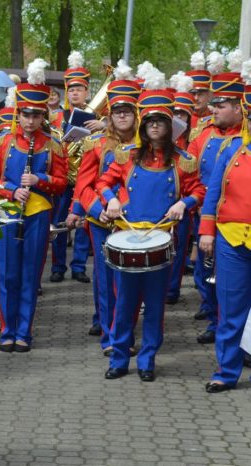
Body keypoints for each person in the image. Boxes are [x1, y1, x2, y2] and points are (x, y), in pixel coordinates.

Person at [97, 82, 204, 382]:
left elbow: (201, 190)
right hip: (127, 238)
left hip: (163, 241)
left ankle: (147, 360)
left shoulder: (183, 160)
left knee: (155, 306)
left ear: (170, 126)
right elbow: (102, 183)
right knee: (125, 304)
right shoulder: (126, 156)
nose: (155, 126)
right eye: (150, 121)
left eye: (161, 121)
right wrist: (112, 199)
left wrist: (185, 202)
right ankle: (119, 356)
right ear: (142, 125)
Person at [0, 58, 68, 353]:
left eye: (36, 115)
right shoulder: (2, 142)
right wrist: (12, 190)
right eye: (26, 114)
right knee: (7, 273)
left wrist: (39, 178)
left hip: (38, 213)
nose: (30, 121)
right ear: (18, 113)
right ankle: (7, 330)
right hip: (7, 213)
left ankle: (23, 332)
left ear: (44, 115)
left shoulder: (54, 144)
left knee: (31, 274)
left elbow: (61, 181)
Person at [66, 64, 141, 354]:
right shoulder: (94, 143)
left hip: (134, 223)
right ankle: (111, 337)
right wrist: (99, 210)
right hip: (101, 222)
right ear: (108, 114)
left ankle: (126, 333)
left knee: (131, 282)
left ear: (136, 115)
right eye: (117, 111)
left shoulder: (145, 146)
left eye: (127, 111)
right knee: (105, 279)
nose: (122, 116)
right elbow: (83, 185)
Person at [198, 72, 251, 393]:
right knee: (230, 308)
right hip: (231, 238)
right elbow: (213, 192)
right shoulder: (232, 148)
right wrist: (206, 231)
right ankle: (226, 371)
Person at [188, 71, 245, 345]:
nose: (214, 110)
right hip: (205, 214)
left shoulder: (242, 139)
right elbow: (188, 169)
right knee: (205, 274)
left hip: (234, 219)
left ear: (238, 107)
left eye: (221, 106)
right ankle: (213, 319)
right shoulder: (204, 133)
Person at [50, 51, 99, 285]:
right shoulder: (56, 116)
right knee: (59, 223)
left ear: (87, 91)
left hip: (85, 178)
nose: (75, 93)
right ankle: (58, 266)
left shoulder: (96, 116)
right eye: (71, 89)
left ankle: (79, 266)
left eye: (79, 89)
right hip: (62, 177)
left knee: (82, 224)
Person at [166, 72, 197, 304]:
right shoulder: (159, 138)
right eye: (174, 113)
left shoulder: (194, 141)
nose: (178, 117)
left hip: (184, 204)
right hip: (160, 202)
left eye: (182, 114)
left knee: (178, 249)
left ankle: (172, 290)